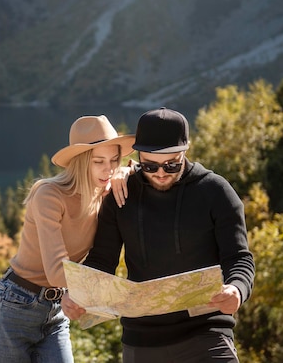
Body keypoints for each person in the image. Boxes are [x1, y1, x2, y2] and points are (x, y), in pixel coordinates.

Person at [62, 107, 255, 363]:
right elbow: (101, 262)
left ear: (185, 152)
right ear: (138, 156)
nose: (161, 173)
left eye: (171, 164)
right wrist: (77, 293)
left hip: (206, 334)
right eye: (149, 166)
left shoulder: (216, 191)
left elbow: (239, 258)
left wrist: (237, 290)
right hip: (141, 342)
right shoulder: (122, 195)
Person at [0, 114, 135, 363]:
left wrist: (129, 171)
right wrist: (112, 292)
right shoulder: (49, 195)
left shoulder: (106, 195)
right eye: (99, 162)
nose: (109, 169)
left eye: (114, 160)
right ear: (81, 162)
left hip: (56, 311)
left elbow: (152, 173)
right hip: (14, 308)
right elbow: (56, 270)